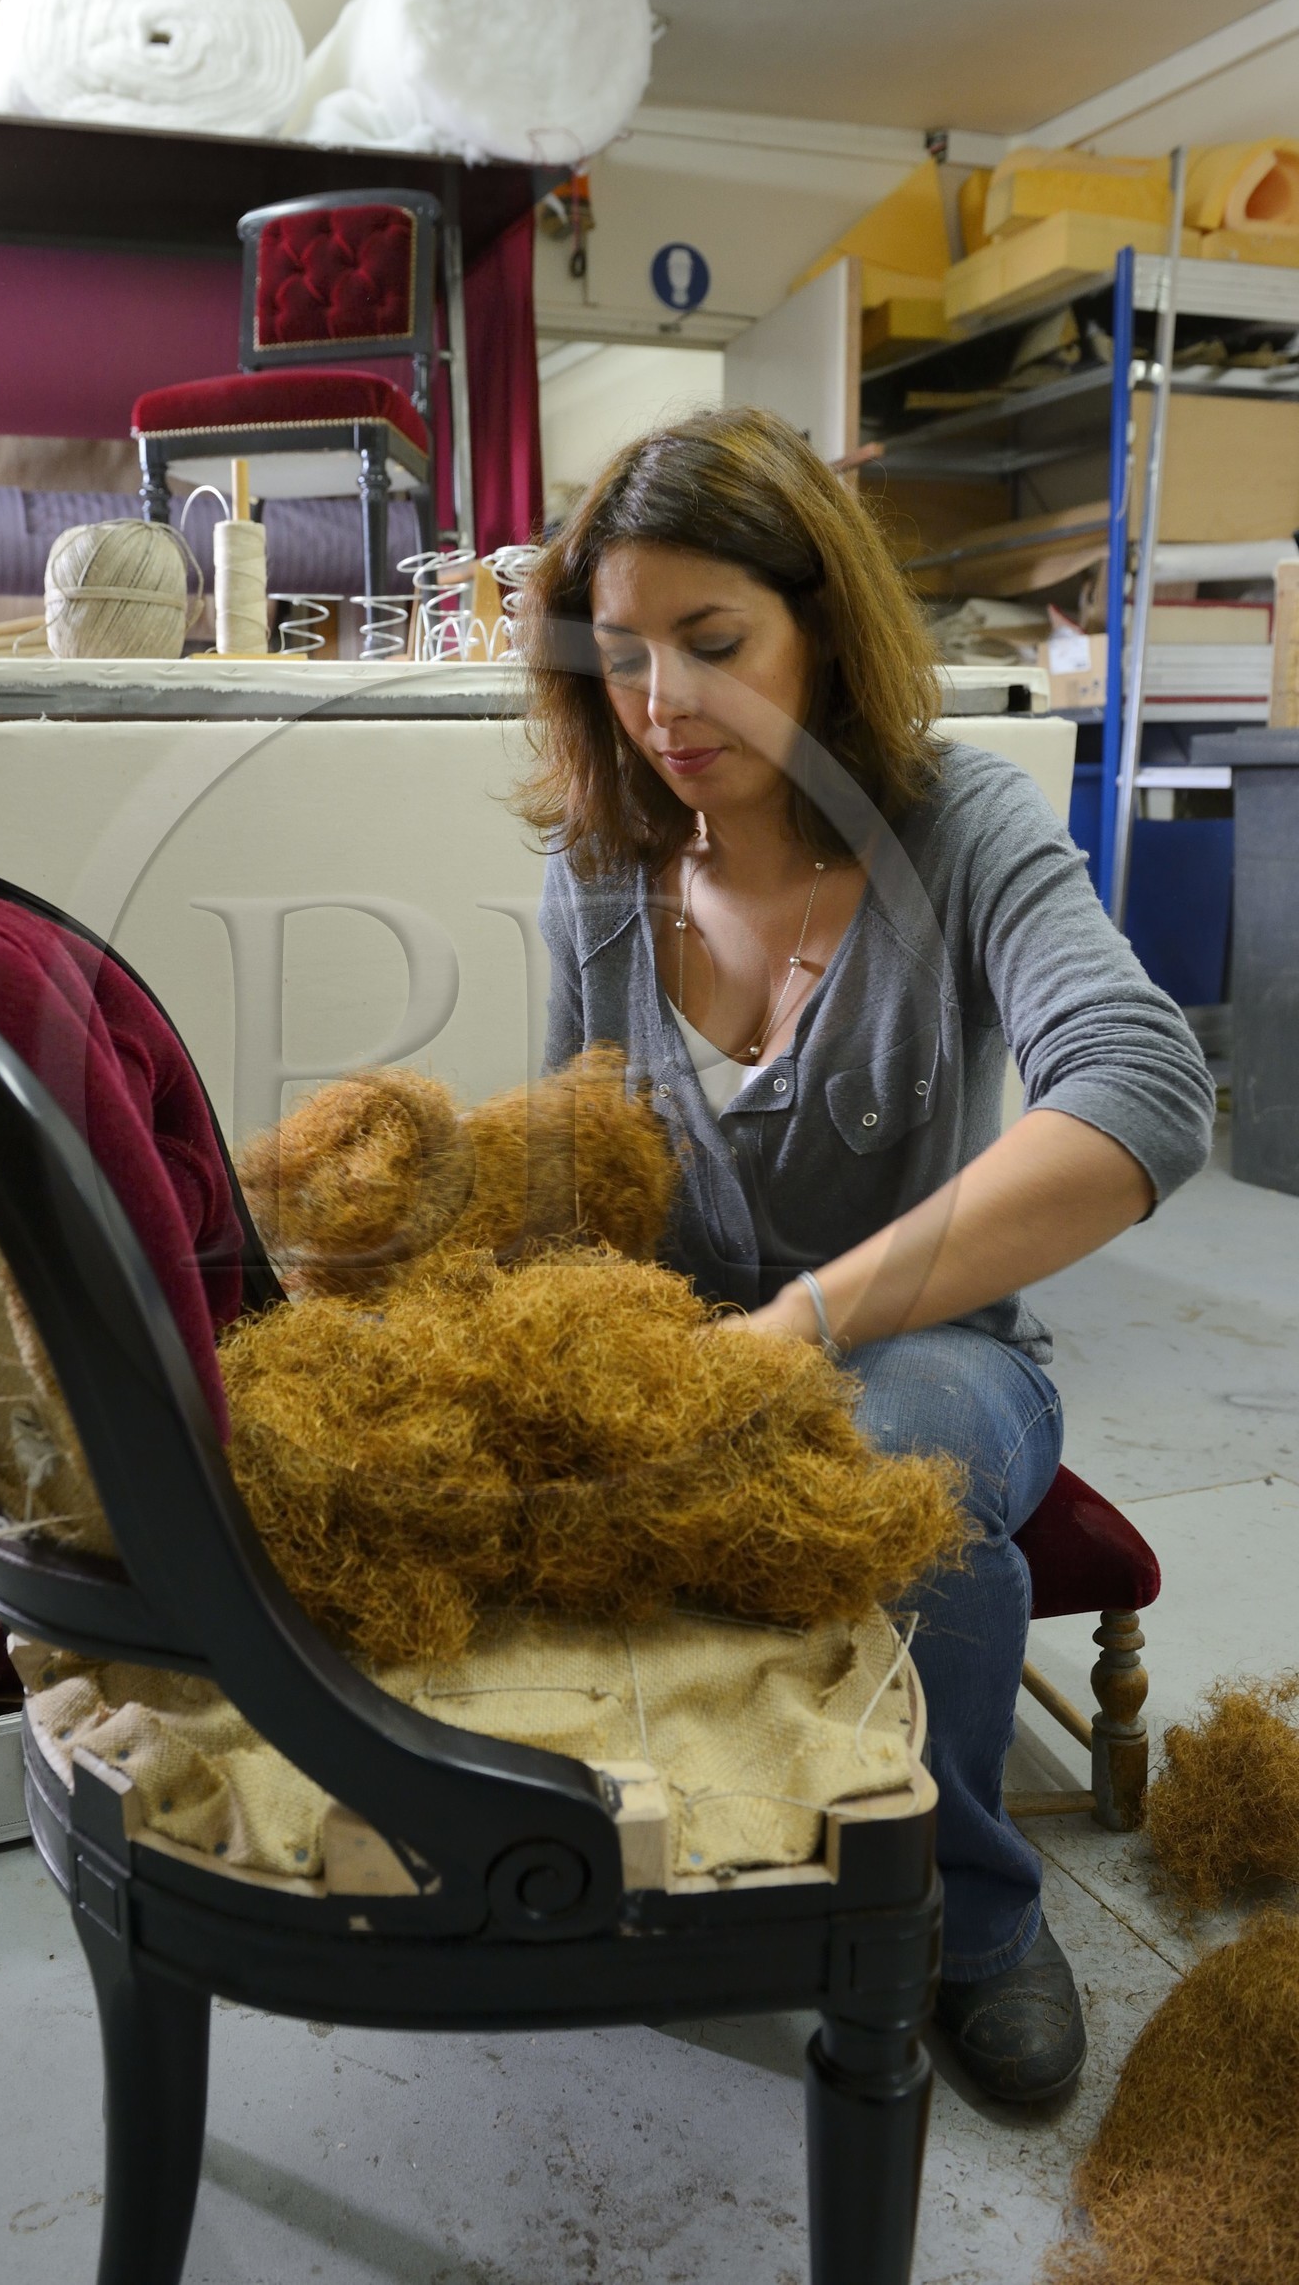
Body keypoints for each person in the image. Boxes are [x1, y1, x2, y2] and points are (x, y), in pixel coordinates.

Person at [516, 406, 1213, 2103]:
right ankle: (715, 1849)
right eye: (622, 658)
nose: (665, 705)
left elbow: (1144, 1089)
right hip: (690, 1369)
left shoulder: (960, 828)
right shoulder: (598, 872)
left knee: (881, 1446)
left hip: (946, 1359)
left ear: (823, 624)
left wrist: (800, 1327)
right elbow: (567, 1189)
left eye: (713, 642)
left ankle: (970, 1920)